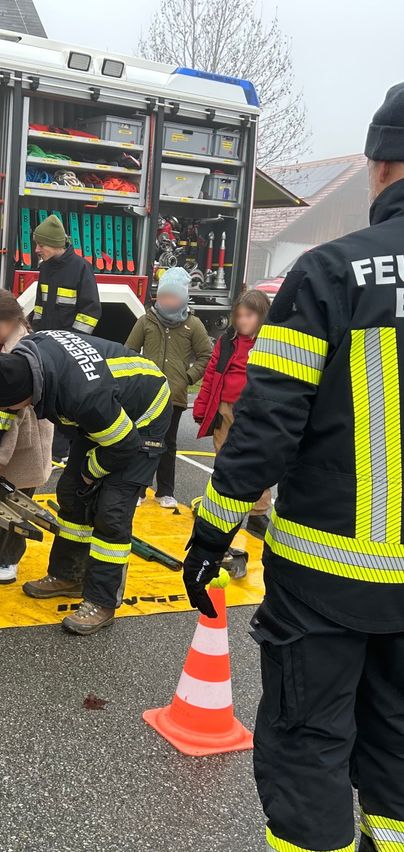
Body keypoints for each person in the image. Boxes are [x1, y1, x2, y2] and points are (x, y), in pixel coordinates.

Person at [183, 82, 404, 852]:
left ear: (380, 166)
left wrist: (211, 534)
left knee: (309, 743)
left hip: (328, 581)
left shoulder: (330, 274)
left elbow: (267, 428)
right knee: (398, 751)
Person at [0, 328, 171, 635]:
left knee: (111, 512)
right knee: (71, 493)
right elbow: (4, 405)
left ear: (27, 396)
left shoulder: (83, 397)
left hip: (141, 418)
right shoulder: (22, 361)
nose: (12, 411)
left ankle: (101, 602)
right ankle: (68, 576)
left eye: (14, 406)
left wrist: (91, 470)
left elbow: (124, 444)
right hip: (105, 413)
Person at [0, 289, 54, 585]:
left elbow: (14, 415)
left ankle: (8, 559)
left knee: (17, 502)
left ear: (14, 319)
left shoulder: (28, 352)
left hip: (25, 441)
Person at [126, 267, 212, 508]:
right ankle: (139, 489)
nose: (166, 300)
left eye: (172, 296)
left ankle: (165, 491)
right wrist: (137, 378)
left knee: (168, 443)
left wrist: (187, 377)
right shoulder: (146, 321)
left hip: (174, 396)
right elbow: (128, 351)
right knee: (142, 440)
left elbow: (207, 355)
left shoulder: (193, 325)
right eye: (163, 296)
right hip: (147, 396)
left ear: (183, 298)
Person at [192, 289, 271, 538]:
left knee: (258, 461)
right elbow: (211, 375)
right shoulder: (227, 342)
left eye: (249, 315)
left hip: (255, 411)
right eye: (239, 316)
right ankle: (219, 510)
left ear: (262, 316)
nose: (243, 321)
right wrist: (202, 407)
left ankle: (258, 514)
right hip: (225, 409)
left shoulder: (270, 344)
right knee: (224, 460)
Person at [29, 213, 102, 462]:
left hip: (68, 348)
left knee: (67, 398)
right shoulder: (46, 268)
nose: (37, 249)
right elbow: (40, 305)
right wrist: (36, 335)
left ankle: (64, 449)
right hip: (47, 344)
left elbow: (91, 311)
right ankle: (53, 448)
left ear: (56, 244)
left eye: (41, 245)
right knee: (50, 396)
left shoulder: (80, 268)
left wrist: (72, 343)